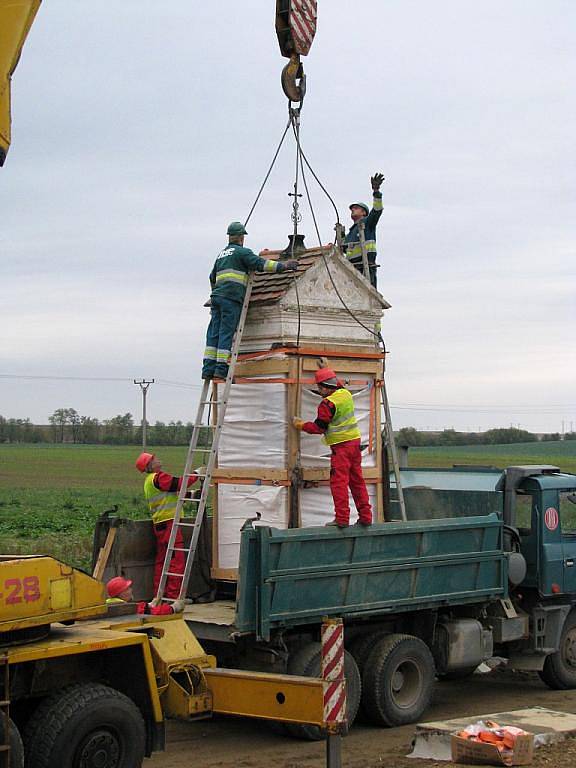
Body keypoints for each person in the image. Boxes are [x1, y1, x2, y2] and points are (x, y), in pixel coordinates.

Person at [202, 221, 299, 380]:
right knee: (226, 332)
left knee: (214, 333)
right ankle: (221, 368)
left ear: (229, 237)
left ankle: (208, 368)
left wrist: (216, 293)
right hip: (231, 298)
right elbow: (262, 264)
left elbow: (212, 277)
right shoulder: (242, 253)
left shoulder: (221, 255)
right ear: (241, 238)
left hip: (217, 298)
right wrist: (285, 266)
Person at [292, 368, 372, 528]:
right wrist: (326, 368)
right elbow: (338, 384)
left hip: (341, 448)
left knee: (339, 483)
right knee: (357, 482)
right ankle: (366, 517)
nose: (319, 391)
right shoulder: (345, 394)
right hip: (355, 444)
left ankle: (342, 519)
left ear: (326, 387)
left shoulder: (327, 404)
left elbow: (319, 428)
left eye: (320, 388)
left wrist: (300, 425)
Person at [135, 452, 200, 600]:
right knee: (176, 561)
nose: (159, 459)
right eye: (155, 459)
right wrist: (196, 474)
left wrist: (192, 494)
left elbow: (173, 494)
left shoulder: (149, 481)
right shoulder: (159, 477)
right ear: (150, 465)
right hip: (169, 523)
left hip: (160, 524)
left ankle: (159, 595)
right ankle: (174, 597)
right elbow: (178, 484)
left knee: (162, 561)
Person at [344, 172, 385, 289]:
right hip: (352, 268)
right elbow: (344, 248)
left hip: (365, 266)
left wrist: (376, 191)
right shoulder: (352, 231)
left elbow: (377, 210)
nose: (353, 210)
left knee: (369, 294)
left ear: (364, 212)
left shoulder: (368, 223)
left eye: (356, 208)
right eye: (352, 208)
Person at [106, 576, 184, 615]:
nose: (131, 590)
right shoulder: (126, 608)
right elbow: (154, 613)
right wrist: (173, 608)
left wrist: (149, 605)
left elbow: (138, 606)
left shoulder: (108, 605)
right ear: (122, 594)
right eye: (128, 588)